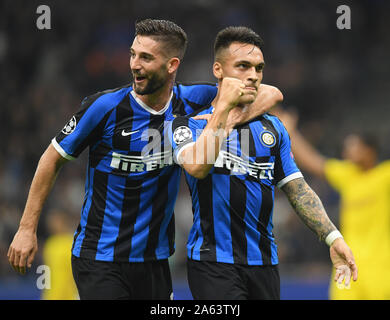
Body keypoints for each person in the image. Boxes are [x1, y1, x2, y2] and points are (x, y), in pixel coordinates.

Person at [7, 19, 283, 300]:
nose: (134, 64)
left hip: (155, 261)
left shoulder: (192, 100)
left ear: (172, 65)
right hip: (100, 258)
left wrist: (227, 113)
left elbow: (270, 93)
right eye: (133, 54)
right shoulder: (105, 107)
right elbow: (51, 159)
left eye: (146, 58)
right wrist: (27, 229)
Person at [168, 26, 358, 300]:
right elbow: (198, 167)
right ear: (218, 70)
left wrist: (332, 237)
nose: (253, 76)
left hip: (265, 264)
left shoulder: (274, 129)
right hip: (213, 263)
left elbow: (297, 188)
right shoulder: (190, 125)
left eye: (259, 68)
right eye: (243, 66)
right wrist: (224, 113)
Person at [272, 108, 390, 300]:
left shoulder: (385, 176)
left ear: (370, 150)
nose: (347, 150)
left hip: (381, 267)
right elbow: (312, 161)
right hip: (348, 261)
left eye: (353, 146)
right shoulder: (347, 175)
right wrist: (289, 132)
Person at [41, 209, 79, 300]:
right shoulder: (49, 244)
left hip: (69, 295)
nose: (52, 225)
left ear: (64, 222)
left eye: (56, 221)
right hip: (51, 295)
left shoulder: (72, 243)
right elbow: (46, 272)